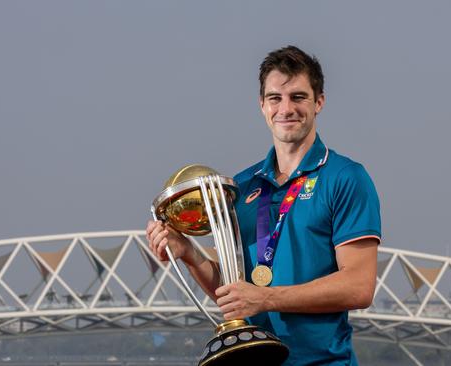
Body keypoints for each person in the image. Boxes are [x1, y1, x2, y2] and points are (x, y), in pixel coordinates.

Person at [147, 45, 381, 365]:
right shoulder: (241, 187)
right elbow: (234, 292)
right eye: (275, 98)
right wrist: (188, 253)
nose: (286, 108)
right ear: (262, 106)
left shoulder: (345, 177)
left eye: (298, 97)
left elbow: (358, 286)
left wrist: (266, 298)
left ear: (319, 102)